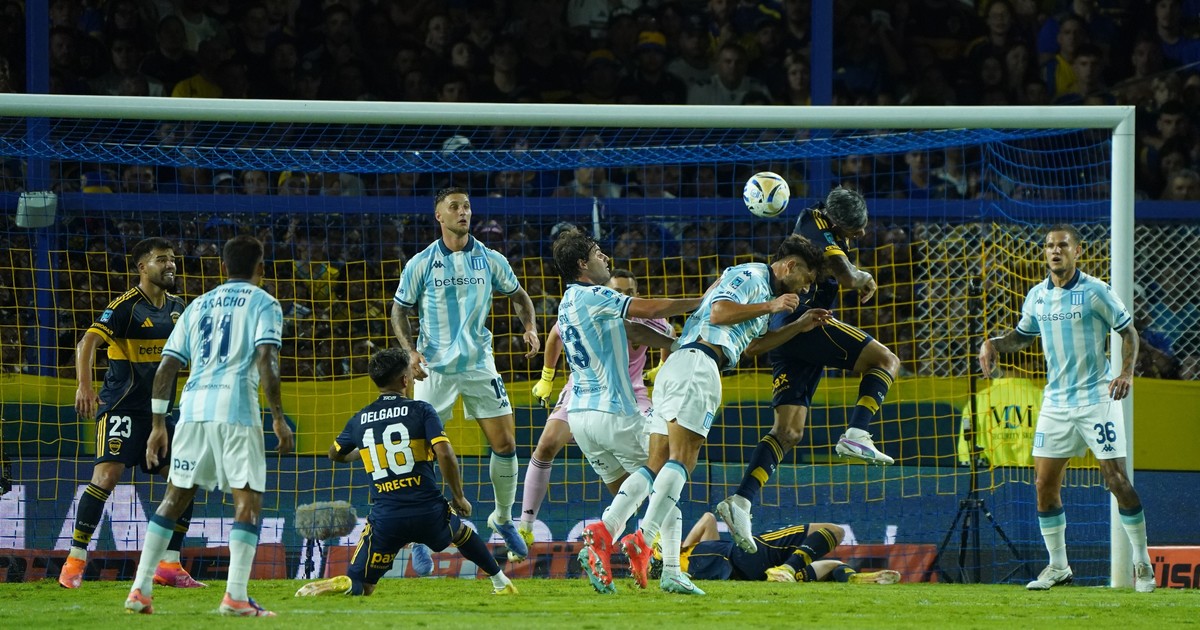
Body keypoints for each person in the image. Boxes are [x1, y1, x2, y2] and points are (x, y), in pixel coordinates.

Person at [589, 235, 831, 590]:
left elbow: (751, 348)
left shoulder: (763, 291)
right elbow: (718, 312)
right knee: (682, 460)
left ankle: (606, 528)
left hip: (682, 363)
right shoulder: (752, 276)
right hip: (698, 366)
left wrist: (797, 325)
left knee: (656, 464)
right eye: (806, 280)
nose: (806, 290)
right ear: (790, 266)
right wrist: (772, 305)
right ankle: (643, 539)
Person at [717, 187, 900, 556]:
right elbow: (847, 276)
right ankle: (857, 432)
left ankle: (740, 501)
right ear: (836, 222)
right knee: (885, 361)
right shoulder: (816, 226)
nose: (862, 234)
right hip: (803, 322)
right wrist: (862, 276)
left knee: (788, 431)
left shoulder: (826, 228)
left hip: (786, 334)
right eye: (855, 229)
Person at [123, 235, 295, 616]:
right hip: (236, 410)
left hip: (192, 410)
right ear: (261, 268)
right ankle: (235, 596)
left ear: (222, 267)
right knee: (247, 502)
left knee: (174, 497)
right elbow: (267, 359)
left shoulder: (197, 305)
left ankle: (140, 589)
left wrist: (158, 424)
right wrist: (278, 418)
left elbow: (167, 366)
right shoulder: (264, 303)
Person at [978, 224, 1154, 593]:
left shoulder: (1096, 291)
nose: (1055, 251)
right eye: (1049, 246)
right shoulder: (1037, 296)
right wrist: (992, 343)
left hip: (1097, 398)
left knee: (1116, 480)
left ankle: (1142, 562)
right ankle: (1058, 566)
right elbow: (1022, 337)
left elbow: (1128, 332)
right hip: (1056, 402)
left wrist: (1125, 373)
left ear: (1077, 251)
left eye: (1062, 245)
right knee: (1044, 485)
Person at [390, 187, 540, 572]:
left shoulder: (490, 259)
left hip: (478, 364)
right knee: (418, 450)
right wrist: (410, 353)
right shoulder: (421, 263)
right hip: (434, 369)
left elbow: (520, 296)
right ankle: (418, 534)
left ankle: (502, 518)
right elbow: (399, 311)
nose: (463, 212)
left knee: (506, 443)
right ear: (438, 216)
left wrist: (530, 328)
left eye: (467, 206)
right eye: (454, 207)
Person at [294, 348, 517, 598]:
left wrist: (364, 451)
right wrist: (459, 497)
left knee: (364, 586)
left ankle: (346, 583)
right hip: (428, 512)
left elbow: (334, 454)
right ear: (404, 380)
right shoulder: (422, 410)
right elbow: (444, 453)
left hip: (387, 519)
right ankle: (501, 582)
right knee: (461, 533)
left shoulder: (360, 419)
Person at [550, 233, 701, 594]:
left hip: (580, 419)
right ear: (583, 265)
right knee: (666, 480)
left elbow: (632, 330)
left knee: (644, 492)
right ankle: (631, 549)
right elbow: (648, 310)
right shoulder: (594, 294)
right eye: (597, 254)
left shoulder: (568, 302)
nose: (605, 258)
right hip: (615, 412)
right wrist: (704, 300)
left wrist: (676, 344)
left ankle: (636, 557)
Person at [59, 237, 204, 590]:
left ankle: (170, 564)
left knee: (184, 480)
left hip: (161, 413)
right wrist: (84, 386)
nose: (170, 265)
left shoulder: (178, 308)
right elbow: (87, 342)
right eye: (161, 259)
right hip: (122, 407)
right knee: (106, 477)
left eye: (172, 259)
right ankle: (75, 560)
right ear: (142, 267)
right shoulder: (126, 307)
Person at [519, 269, 672, 545]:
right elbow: (555, 334)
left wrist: (661, 366)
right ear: (606, 293)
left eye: (629, 293)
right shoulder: (590, 310)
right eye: (617, 292)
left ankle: (653, 535)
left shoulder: (646, 317)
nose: (623, 296)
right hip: (582, 389)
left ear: (636, 295)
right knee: (546, 444)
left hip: (632, 393)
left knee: (650, 465)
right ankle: (525, 527)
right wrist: (546, 377)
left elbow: (668, 332)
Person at [649, 512, 900, 585]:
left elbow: (708, 521)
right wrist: (683, 545)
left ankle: (854, 579)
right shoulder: (688, 552)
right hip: (748, 553)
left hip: (751, 575)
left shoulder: (689, 564)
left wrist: (682, 547)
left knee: (834, 565)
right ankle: (788, 569)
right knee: (836, 531)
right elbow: (707, 518)